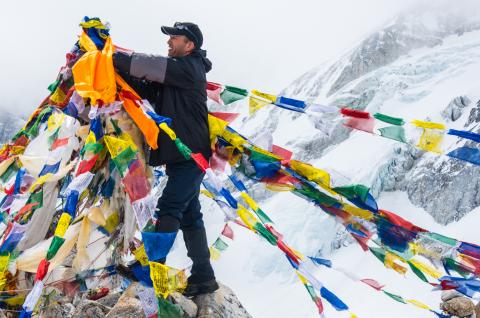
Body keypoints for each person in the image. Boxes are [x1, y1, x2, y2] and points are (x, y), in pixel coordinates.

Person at [113, 22, 218, 297]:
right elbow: (147, 87)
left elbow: (148, 65)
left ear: (190, 45)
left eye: (174, 37)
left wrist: (109, 55)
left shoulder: (189, 68)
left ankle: (152, 267)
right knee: (191, 216)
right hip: (185, 158)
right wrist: (119, 72)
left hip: (190, 156)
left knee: (170, 207)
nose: (169, 41)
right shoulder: (177, 77)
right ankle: (203, 276)